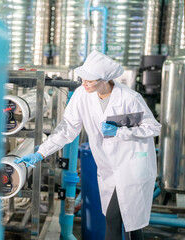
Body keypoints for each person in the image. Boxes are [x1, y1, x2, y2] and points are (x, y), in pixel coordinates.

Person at [14, 50, 161, 240]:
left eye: (89, 80)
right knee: (131, 223)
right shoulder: (82, 95)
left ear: (104, 80)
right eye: (83, 78)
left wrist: (120, 132)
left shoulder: (129, 98)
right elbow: (67, 129)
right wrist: (40, 153)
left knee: (114, 218)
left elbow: (153, 127)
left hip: (132, 164)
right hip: (109, 166)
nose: (84, 83)